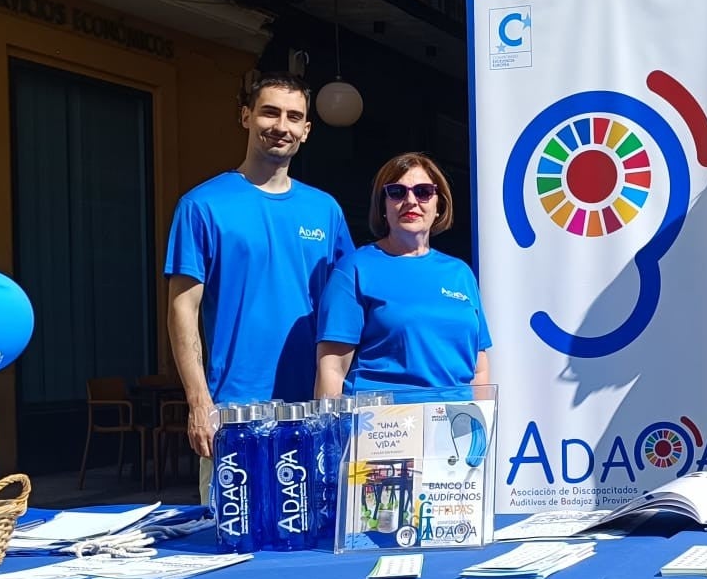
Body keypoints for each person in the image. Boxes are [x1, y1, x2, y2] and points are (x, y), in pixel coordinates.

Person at [166, 74, 350, 501]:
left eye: (294, 117)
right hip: (234, 412)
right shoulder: (202, 205)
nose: (280, 125)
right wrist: (198, 402)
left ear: (306, 130)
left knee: (314, 551)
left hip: (314, 409)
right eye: (269, 111)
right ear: (246, 116)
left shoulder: (325, 210)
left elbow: (346, 313)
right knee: (232, 549)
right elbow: (182, 309)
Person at [314, 153, 490, 399]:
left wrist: (480, 427)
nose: (411, 200)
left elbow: (479, 368)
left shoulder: (460, 273)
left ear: (439, 205)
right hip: (384, 430)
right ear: (383, 206)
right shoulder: (355, 268)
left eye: (423, 191)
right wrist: (331, 434)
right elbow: (332, 369)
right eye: (397, 192)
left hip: (455, 429)